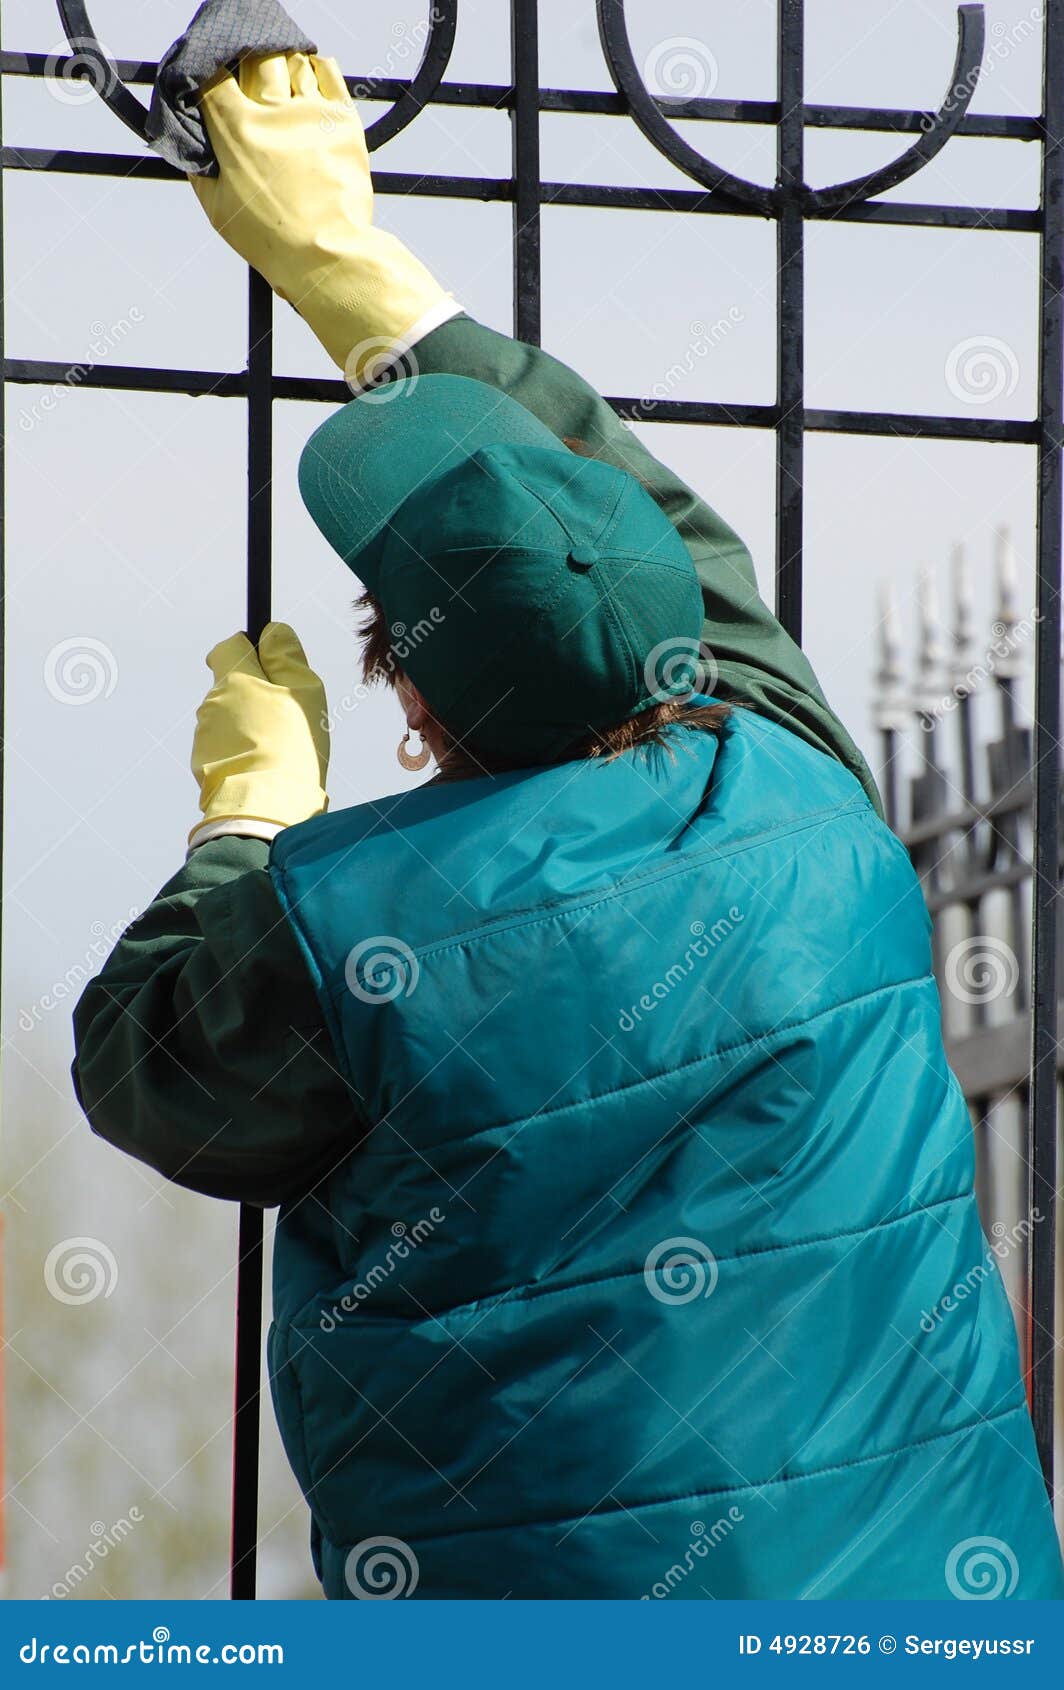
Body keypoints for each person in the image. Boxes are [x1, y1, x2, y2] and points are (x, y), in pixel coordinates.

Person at [72, 51, 1064, 1602]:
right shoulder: (801, 783)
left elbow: (153, 1066)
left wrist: (246, 826)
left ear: (410, 693)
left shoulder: (346, 929)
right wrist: (347, 261)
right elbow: (640, 518)